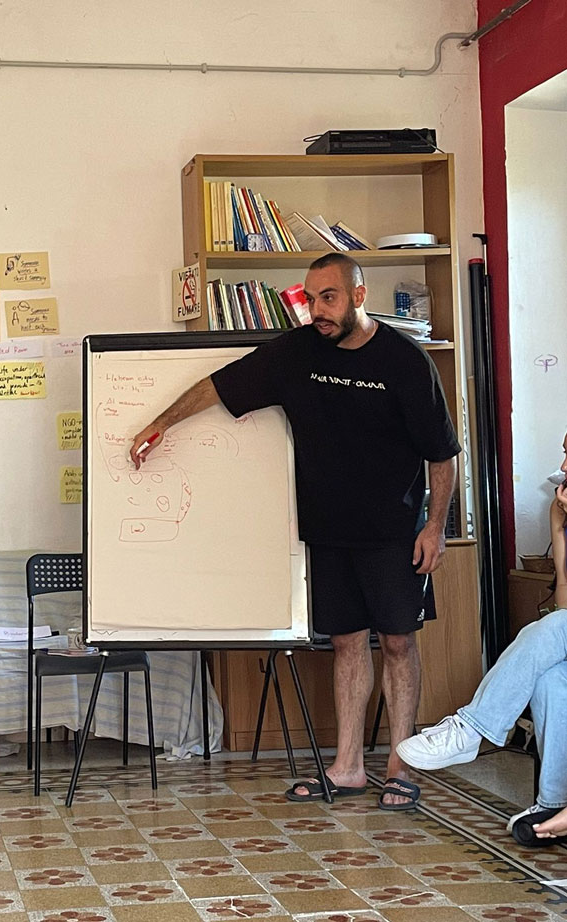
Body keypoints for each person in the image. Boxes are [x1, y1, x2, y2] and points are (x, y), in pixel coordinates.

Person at [130, 253, 460, 810]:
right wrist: (160, 423)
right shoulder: (297, 351)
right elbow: (217, 386)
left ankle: (402, 767)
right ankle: (349, 766)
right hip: (329, 532)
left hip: (393, 532)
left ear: (359, 296)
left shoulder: (405, 361)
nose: (316, 311)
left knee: (400, 642)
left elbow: (443, 456)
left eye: (328, 297)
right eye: (310, 299)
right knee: (348, 643)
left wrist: (435, 526)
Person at [397, 433, 567, 844]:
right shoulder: (559, 510)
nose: (563, 466)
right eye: (564, 452)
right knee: (550, 672)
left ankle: (472, 729)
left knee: (545, 634)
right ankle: (554, 802)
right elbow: (564, 600)